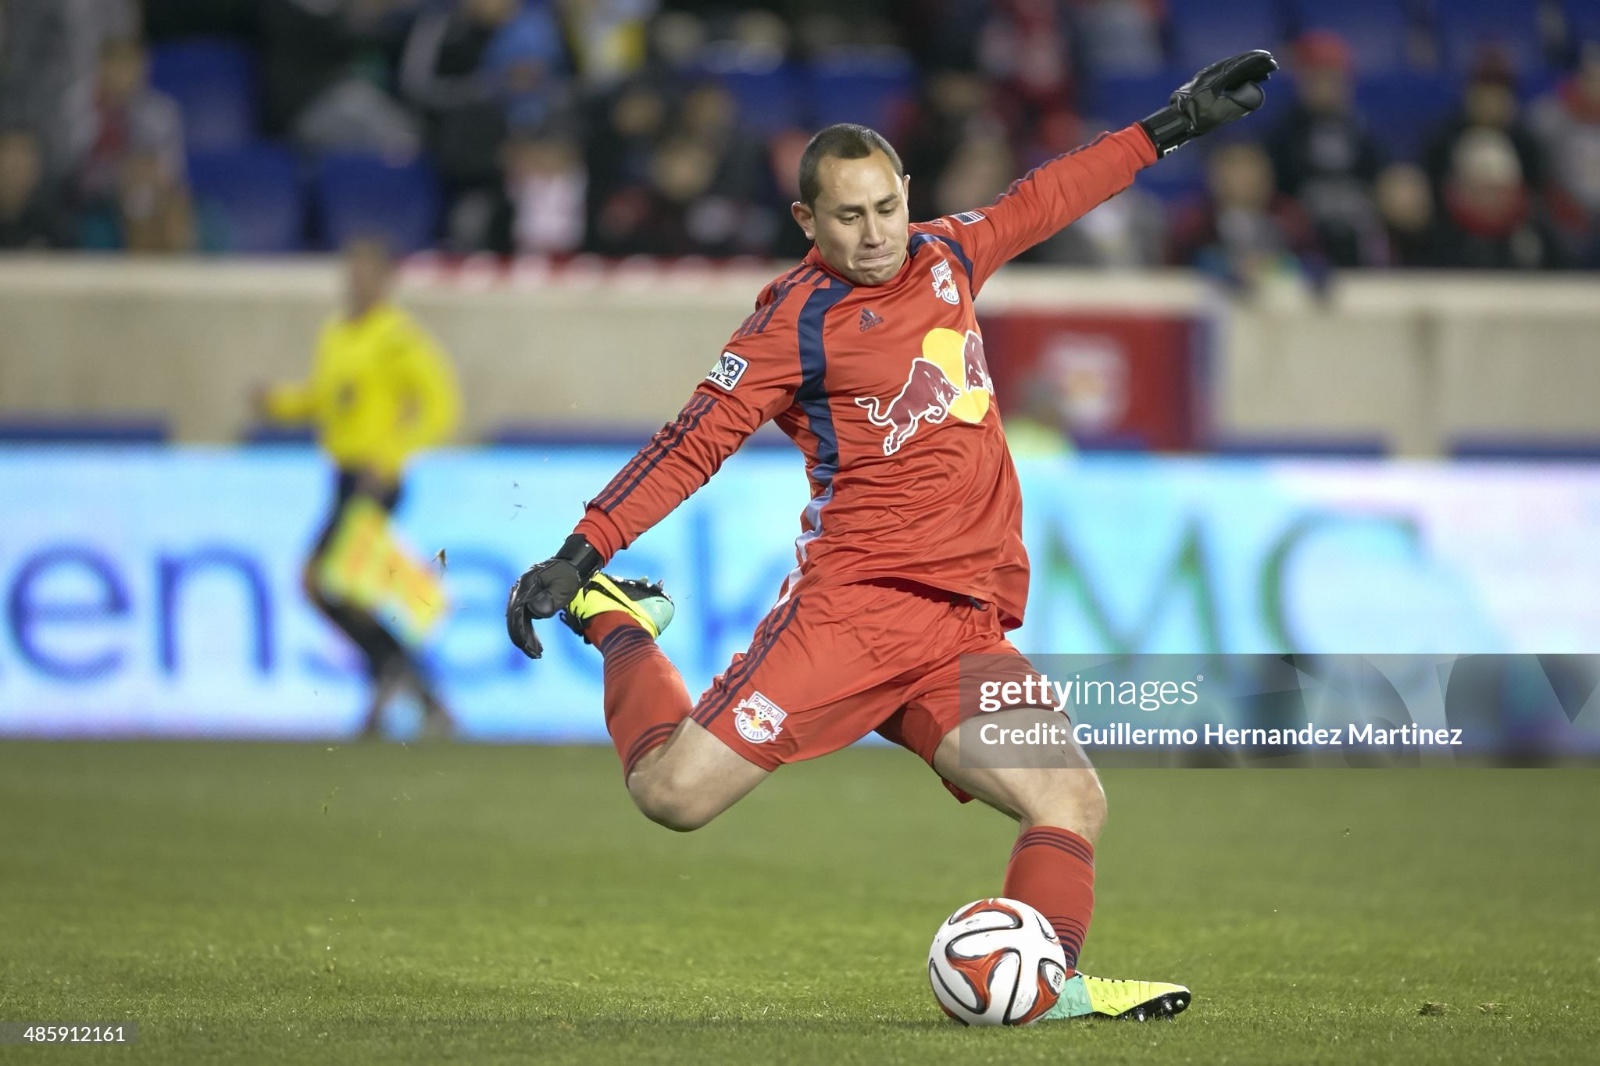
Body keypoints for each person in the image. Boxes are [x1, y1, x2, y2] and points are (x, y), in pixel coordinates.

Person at [505, 51, 1278, 1022]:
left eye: (884, 208)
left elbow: (1048, 196)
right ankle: (619, 623)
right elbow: (691, 443)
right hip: (855, 613)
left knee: (1071, 801)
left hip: (958, 627)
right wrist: (584, 552)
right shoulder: (791, 323)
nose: (873, 234)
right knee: (671, 796)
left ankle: (1046, 982)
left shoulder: (951, 255)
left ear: (906, 194)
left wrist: (1167, 128)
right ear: (806, 222)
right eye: (846, 216)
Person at [258, 237, 462, 737]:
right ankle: (411, 687)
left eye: (368, 273)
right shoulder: (337, 334)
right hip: (343, 475)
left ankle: (396, 677)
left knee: (323, 580)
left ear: (386, 280)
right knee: (343, 589)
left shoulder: (398, 338)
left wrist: (393, 455)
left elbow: (441, 405)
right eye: (353, 271)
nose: (358, 282)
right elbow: (326, 399)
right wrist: (278, 405)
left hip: (376, 479)